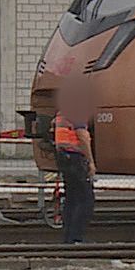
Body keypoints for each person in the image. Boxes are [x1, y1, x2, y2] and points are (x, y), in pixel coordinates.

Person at [52, 80, 96, 245]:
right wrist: (91, 162)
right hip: (76, 158)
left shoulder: (61, 112)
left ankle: (68, 237)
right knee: (86, 199)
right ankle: (76, 237)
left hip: (64, 158)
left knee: (71, 198)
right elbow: (82, 136)